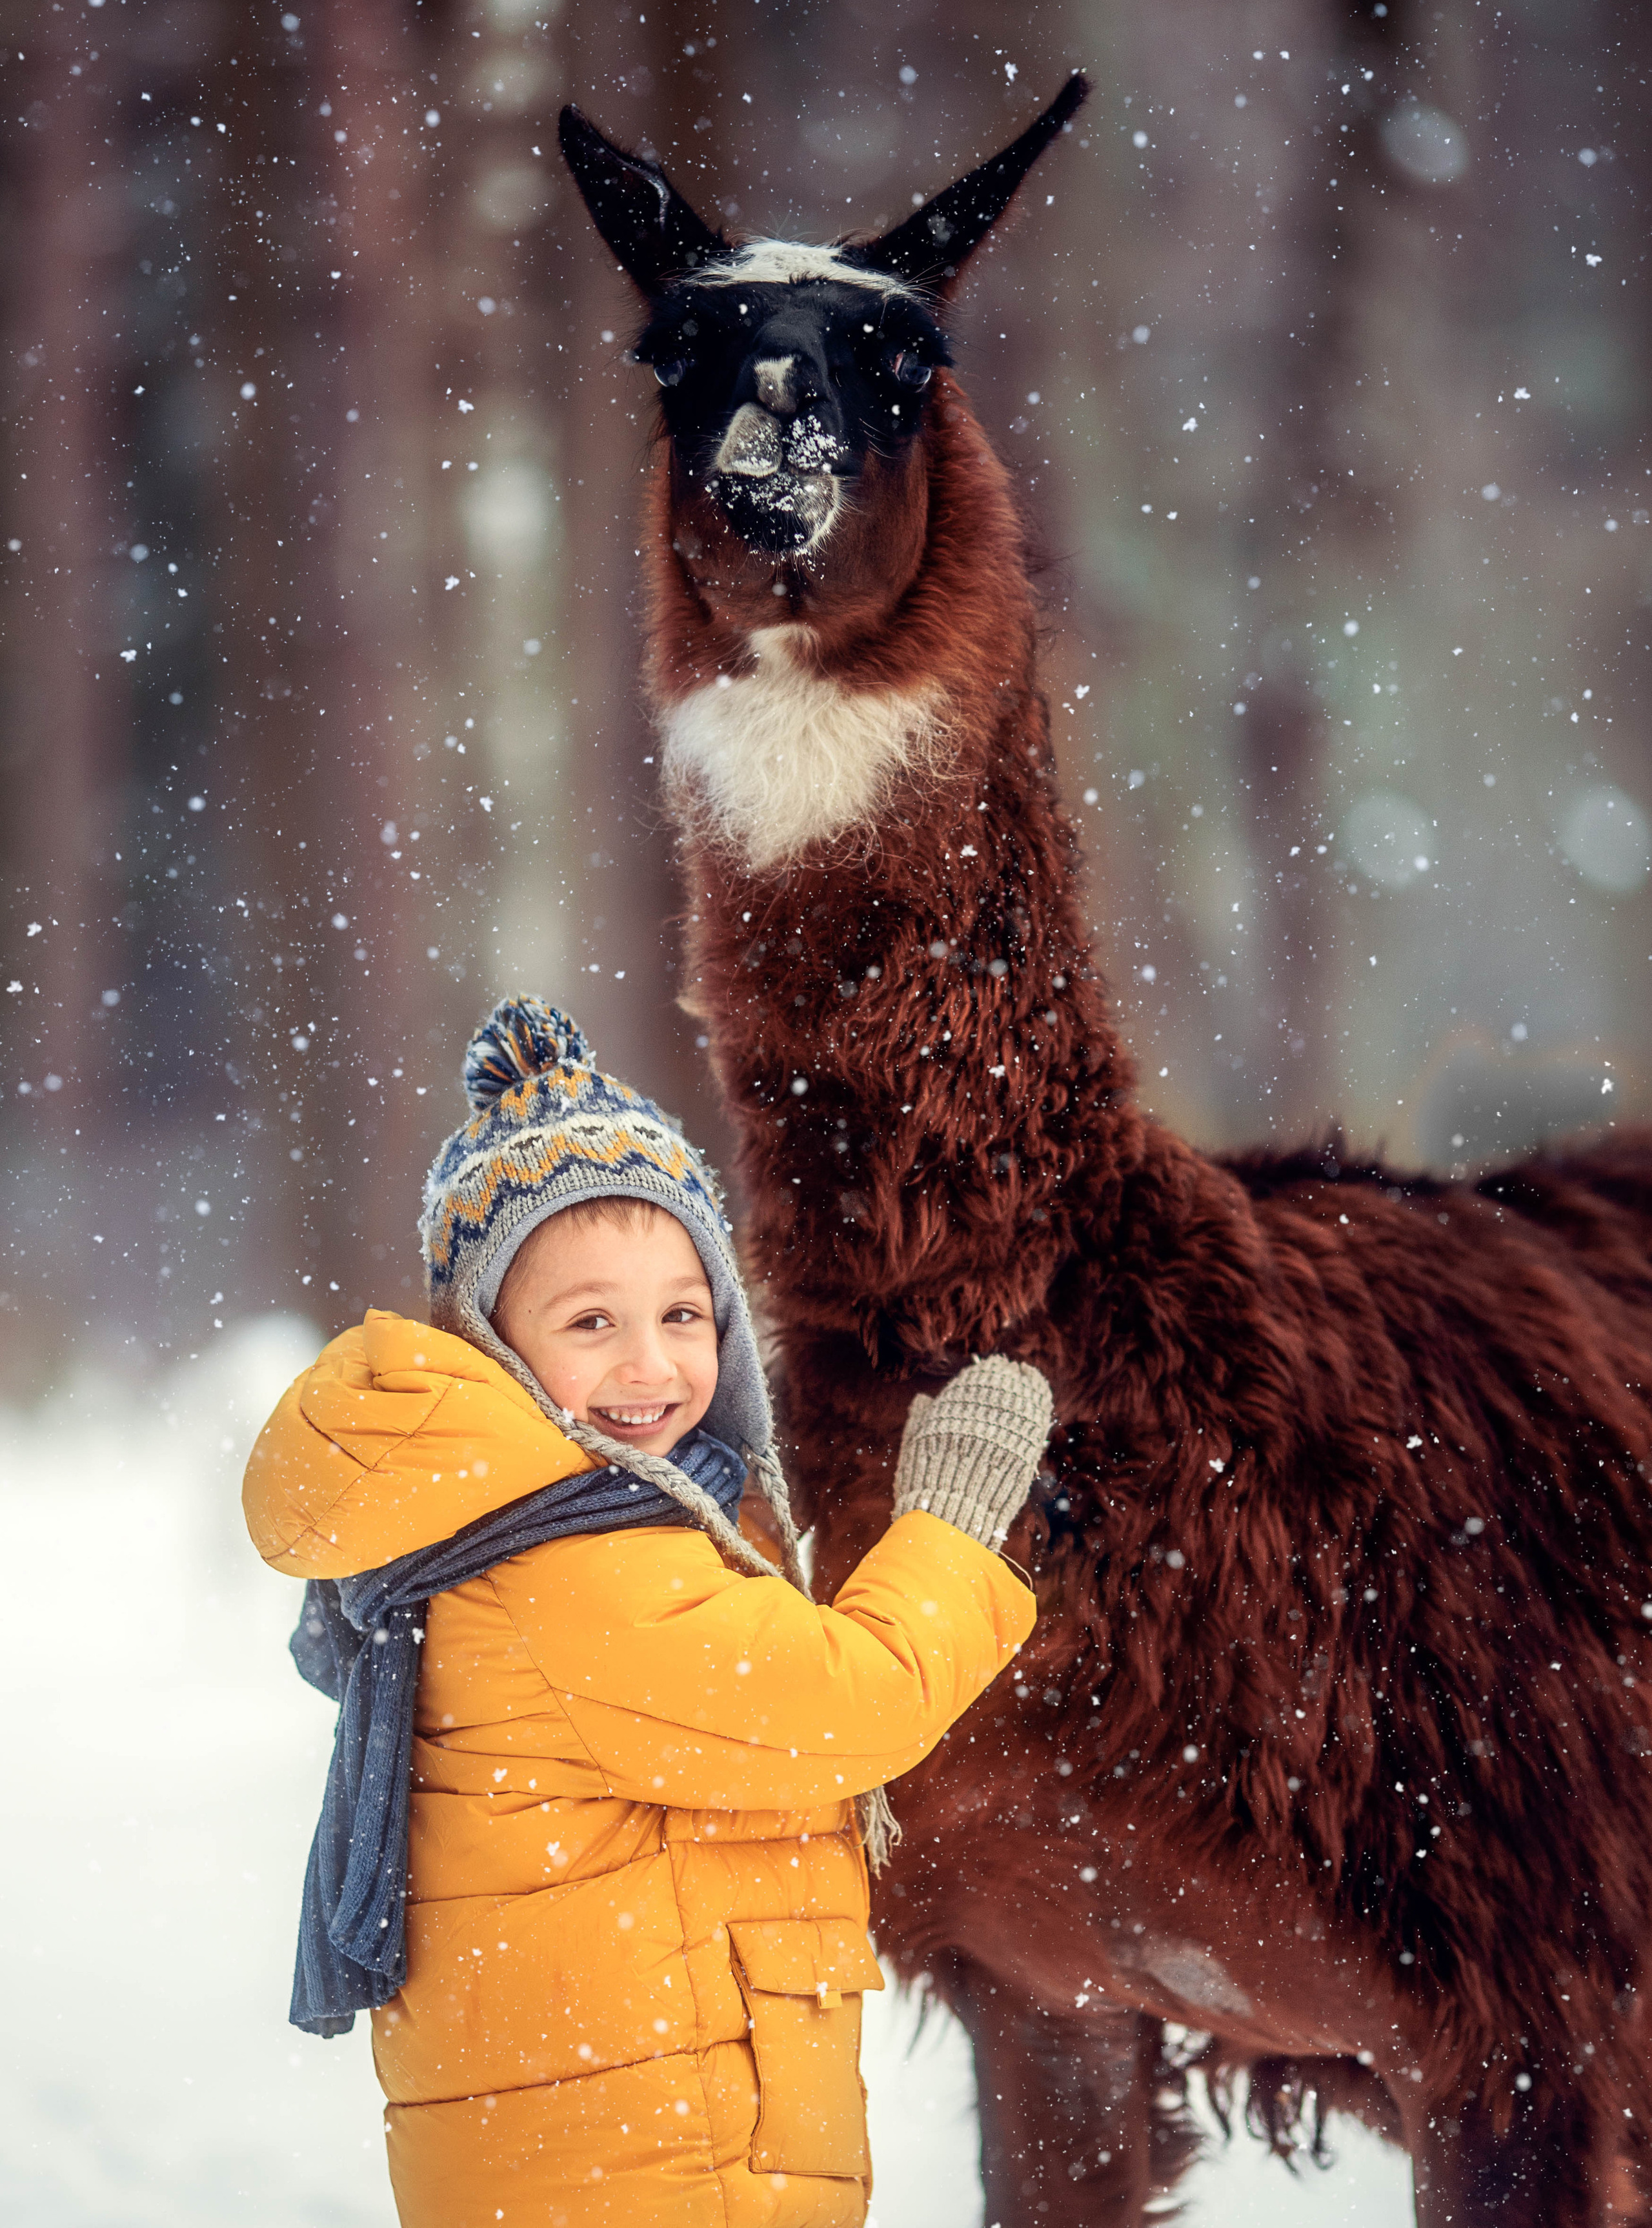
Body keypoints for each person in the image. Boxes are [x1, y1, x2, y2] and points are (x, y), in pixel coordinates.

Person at [244, 995, 1050, 2228]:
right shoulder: (578, 1561)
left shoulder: (511, 1522)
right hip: (663, 2166)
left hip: (605, 2143)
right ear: (488, 1343)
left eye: (683, 1315)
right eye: (590, 1324)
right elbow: (848, 1699)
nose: (653, 1368)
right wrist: (948, 1520)